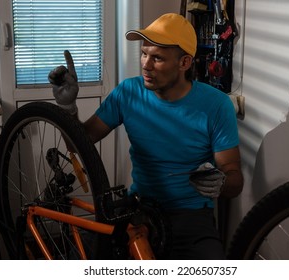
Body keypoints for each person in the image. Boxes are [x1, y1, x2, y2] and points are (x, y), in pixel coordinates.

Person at [48, 13, 243, 260]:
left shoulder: (216, 105)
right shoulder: (128, 92)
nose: (145, 65)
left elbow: (235, 177)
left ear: (184, 63)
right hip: (140, 210)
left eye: (157, 58)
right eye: (144, 54)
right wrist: (67, 108)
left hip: (191, 218)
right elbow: (78, 144)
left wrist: (221, 182)